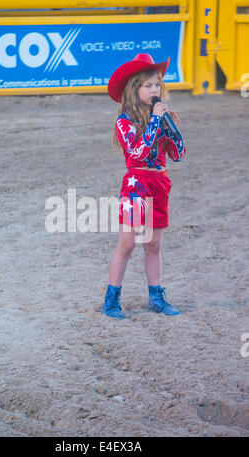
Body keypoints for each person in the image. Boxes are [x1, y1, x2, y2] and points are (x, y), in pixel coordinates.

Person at [101, 53, 186, 320]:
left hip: (160, 182)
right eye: (148, 86)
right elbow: (137, 154)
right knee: (127, 243)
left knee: (153, 245)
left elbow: (179, 155)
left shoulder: (160, 119)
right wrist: (153, 124)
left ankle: (156, 297)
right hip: (137, 184)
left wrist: (173, 130)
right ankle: (111, 298)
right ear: (134, 89)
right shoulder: (124, 121)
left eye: (157, 85)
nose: (154, 90)